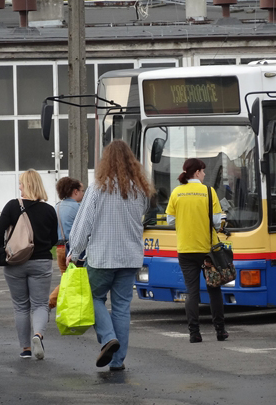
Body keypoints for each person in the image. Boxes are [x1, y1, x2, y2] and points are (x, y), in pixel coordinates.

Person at [68, 140, 154, 371]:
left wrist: (74, 251)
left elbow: (84, 221)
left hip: (103, 256)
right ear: (131, 161)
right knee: (122, 307)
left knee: (93, 297)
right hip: (131, 257)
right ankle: (118, 361)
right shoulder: (141, 189)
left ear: (106, 161)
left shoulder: (98, 187)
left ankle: (107, 338)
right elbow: (142, 216)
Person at [0, 169, 58, 360]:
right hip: (41, 261)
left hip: (15, 262)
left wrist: (1, 248)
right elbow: (54, 238)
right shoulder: (49, 210)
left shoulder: (13, 206)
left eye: (21, 183)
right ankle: (38, 335)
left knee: (21, 306)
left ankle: (25, 349)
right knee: (39, 304)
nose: (19, 187)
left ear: (26, 185)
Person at [165, 158, 228, 343]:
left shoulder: (177, 192)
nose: (205, 174)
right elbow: (217, 222)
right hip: (208, 250)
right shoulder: (208, 192)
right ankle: (220, 331)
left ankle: (194, 333)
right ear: (198, 172)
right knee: (214, 290)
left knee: (192, 292)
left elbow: (170, 220)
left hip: (185, 249)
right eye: (204, 171)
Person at [48, 177, 85, 310]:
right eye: (82, 190)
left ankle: (71, 308)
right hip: (74, 249)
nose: (83, 193)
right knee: (72, 280)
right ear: (75, 191)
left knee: (67, 277)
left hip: (59, 247)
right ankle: (49, 302)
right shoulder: (79, 208)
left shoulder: (57, 207)